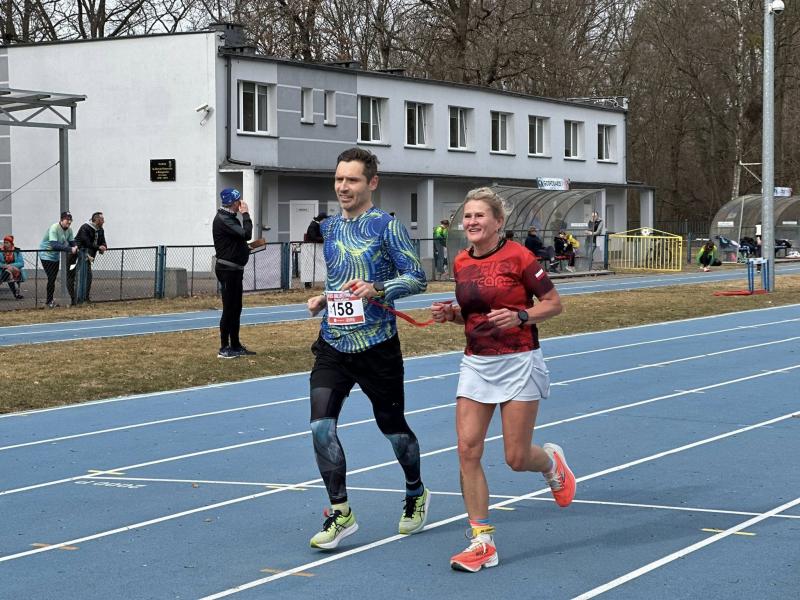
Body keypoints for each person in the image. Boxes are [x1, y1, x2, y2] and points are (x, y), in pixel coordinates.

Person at [430, 186, 575, 573]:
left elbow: (554, 304)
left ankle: (551, 466)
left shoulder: (520, 256)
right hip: (477, 363)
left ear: (498, 221)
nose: (472, 221)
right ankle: (482, 541)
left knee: (515, 457)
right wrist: (452, 315)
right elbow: (473, 314)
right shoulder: (461, 261)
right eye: (468, 216)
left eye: (480, 216)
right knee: (467, 449)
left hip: (519, 361)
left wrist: (522, 316)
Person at [305, 147, 429, 550]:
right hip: (334, 342)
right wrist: (324, 299)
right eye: (339, 179)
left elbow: (417, 278)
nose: (343, 186)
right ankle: (340, 512)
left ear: (371, 182)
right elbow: (341, 277)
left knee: (394, 432)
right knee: (320, 427)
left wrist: (380, 288)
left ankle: (415, 492)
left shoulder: (386, 226)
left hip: (376, 345)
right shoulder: (329, 228)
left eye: (352, 180)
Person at [213, 188, 257, 359]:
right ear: (233, 203)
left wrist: (246, 249)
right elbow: (246, 234)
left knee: (236, 308)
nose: (241, 203)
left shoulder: (229, 218)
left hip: (235, 269)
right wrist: (246, 215)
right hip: (227, 270)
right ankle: (224, 347)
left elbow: (237, 241)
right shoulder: (224, 219)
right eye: (238, 200)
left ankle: (236, 345)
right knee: (229, 309)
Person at [39, 211, 77, 308]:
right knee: (51, 278)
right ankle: (49, 301)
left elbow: (72, 241)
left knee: (53, 278)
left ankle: (50, 300)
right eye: (67, 220)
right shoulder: (54, 228)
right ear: (61, 220)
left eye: (70, 220)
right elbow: (54, 245)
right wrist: (70, 249)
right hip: (46, 255)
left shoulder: (69, 230)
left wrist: (76, 247)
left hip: (55, 257)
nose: (69, 222)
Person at [69, 211, 107, 303]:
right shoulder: (85, 227)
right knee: (76, 276)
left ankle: (85, 297)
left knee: (88, 277)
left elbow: (103, 241)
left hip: (89, 256)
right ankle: (76, 298)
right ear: (96, 220)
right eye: (102, 219)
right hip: (79, 254)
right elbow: (86, 243)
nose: (103, 221)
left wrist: (104, 247)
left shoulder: (100, 230)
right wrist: (98, 247)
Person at [0, 235, 25, 299]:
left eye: (7, 243)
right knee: (9, 275)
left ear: (11, 243)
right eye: (4, 242)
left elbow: (21, 263)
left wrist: (10, 265)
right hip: (4, 270)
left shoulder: (17, 251)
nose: (5, 244)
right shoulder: (1, 251)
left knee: (10, 269)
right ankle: (16, 295)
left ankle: (1, 280)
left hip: (15, 271)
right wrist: (3, 265)